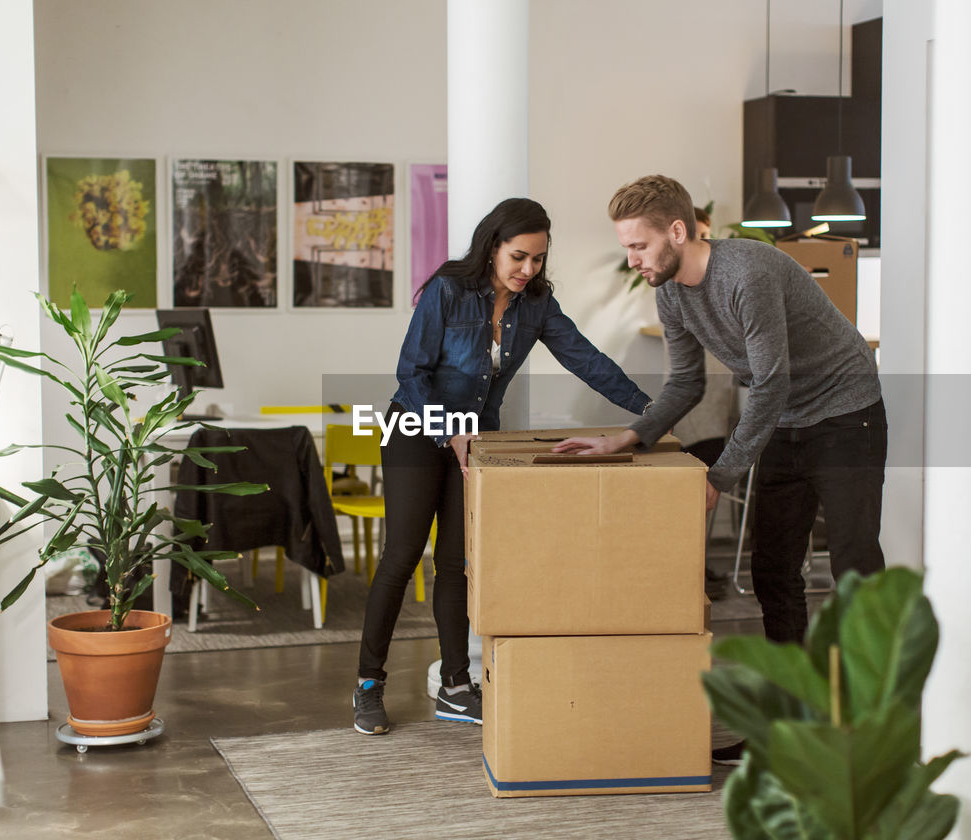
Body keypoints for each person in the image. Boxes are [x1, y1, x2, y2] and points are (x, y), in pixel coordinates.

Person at [555, 175, 885, 764]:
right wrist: (628, 437)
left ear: (677, 231)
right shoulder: (671, 292)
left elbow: (771, 383)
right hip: (785, 420)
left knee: (854, 565)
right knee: (773, 570)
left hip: (845, 412)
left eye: (639, 246)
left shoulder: (748, 274)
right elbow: (686, 381)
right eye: (627, 248)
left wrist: (719, 475)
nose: (633, 260)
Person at [353, 197, 653, 736]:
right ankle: (369, 685)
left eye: (538, 259)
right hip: (417, 431)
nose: (527, 270)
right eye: (519, 256)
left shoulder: (536, 305)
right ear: (493, 246)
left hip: (476, 441)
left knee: (455, 564)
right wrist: (449, 432)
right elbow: (411, 374)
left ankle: (454, 687)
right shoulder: (447, 290)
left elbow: (586, 360)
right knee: (400, 558)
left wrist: (652, 412)